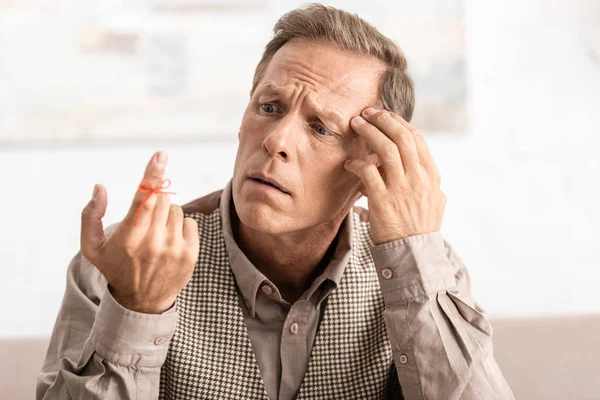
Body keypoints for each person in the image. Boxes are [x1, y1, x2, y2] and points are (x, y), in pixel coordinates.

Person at [37, 4, 514, 399]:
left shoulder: (426, 268)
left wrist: (415, 250)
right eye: (270, 108)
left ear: (371, 166)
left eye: (321, 127)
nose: (277, 140)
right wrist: (137, 310)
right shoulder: (124, 263)